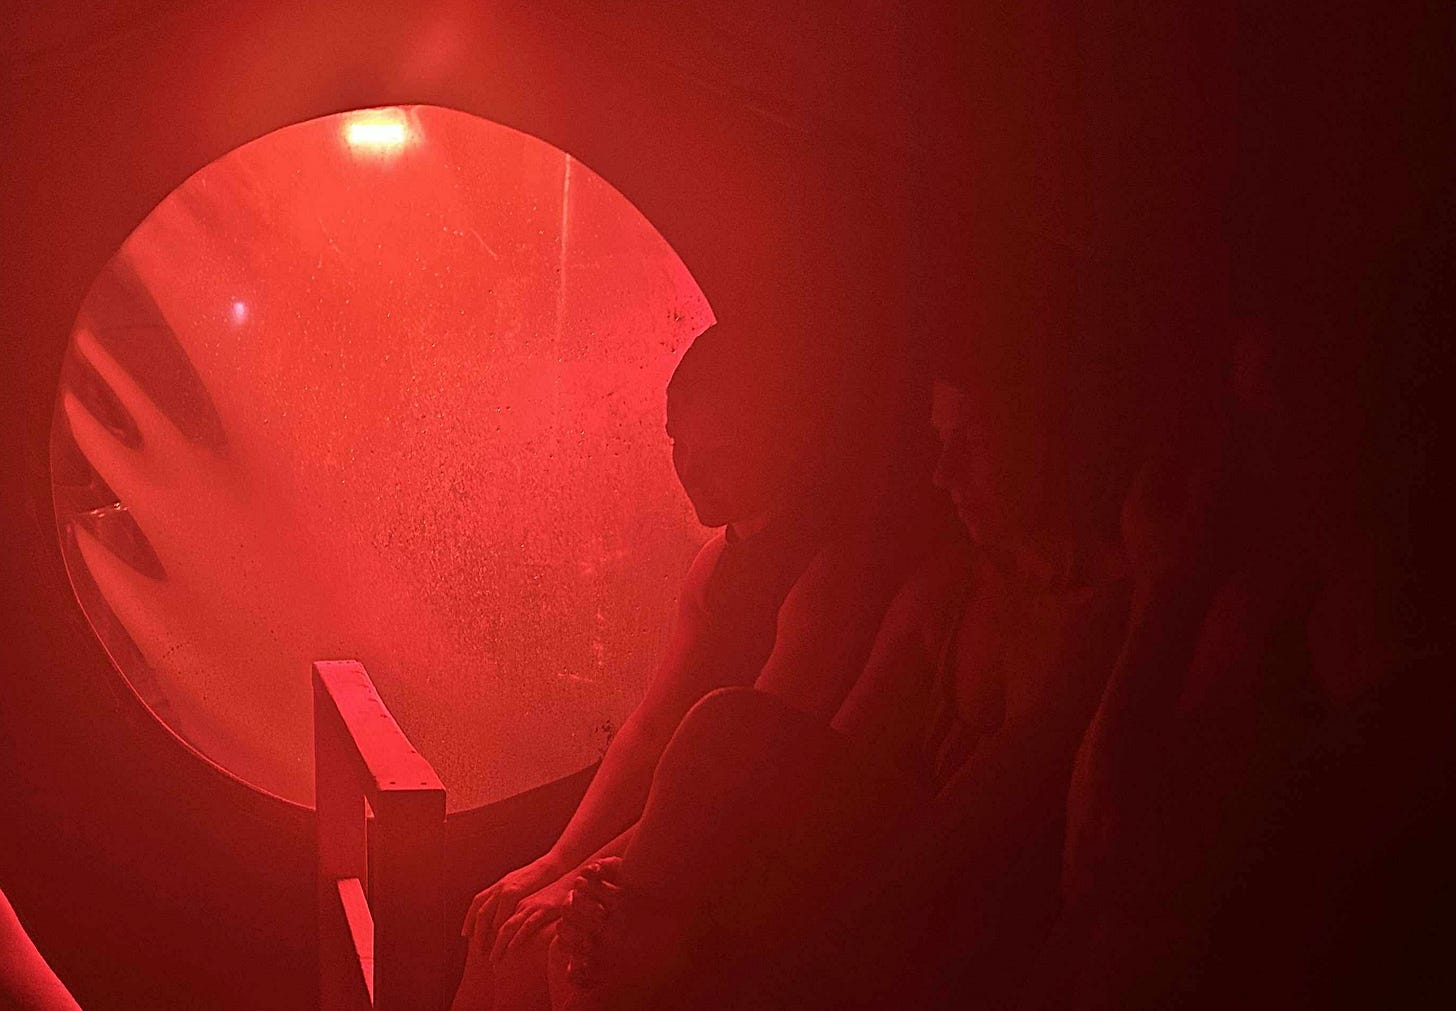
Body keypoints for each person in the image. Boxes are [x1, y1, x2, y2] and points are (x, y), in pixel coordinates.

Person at [549, 243, 1148, 1010]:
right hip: (876, 871)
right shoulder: (948, 590)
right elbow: (835, 751)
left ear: (1045, 445)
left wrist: (711, 933)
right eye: (938, 443)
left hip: (967, 916)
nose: (943, 474)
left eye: (971, 445)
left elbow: (960, 839)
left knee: (722, 742)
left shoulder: (1094, 621)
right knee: (702, 768)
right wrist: (592, 876)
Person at [452, 314, 947, 1011]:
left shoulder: (831, 571)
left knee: (553, 954)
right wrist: (555, 862)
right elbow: (650, 732)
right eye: (679, 443)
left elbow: (738, 778)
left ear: (786, 440)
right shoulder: (717, 565)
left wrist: (593, 881)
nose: (691, 468)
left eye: (720, 451)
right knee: (498, 925)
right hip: (675, 843)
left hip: (753, 862)